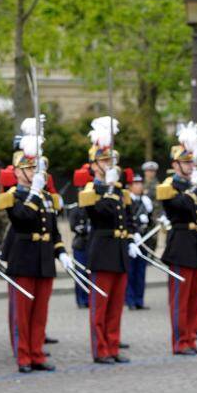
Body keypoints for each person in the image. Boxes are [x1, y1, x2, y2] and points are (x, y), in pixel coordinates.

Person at [0, 128, 71, 373]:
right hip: (23, 258)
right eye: (28, 169)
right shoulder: (13, 196)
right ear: (17, 171)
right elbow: (22, 218)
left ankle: (37, 353)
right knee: (22, 313)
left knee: (40, 313)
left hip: (43, 259)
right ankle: (24, 356)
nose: (33, 173)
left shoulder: (47, 197)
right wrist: (36, 192)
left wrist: (60, 251)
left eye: (36, 169)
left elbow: (53, 229)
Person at [157, 123, 197, 355]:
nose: (190, 166)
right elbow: (180, 207)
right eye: (185, 162)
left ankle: (191, 337)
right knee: (180, 299)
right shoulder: (169, 186)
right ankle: (180, 341)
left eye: (191, 162)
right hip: (181, 245)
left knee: (196, 297)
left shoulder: (195, 186)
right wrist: (195, 190)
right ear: (175, 164)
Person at [79, 116, 136, 365]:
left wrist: (132, 238)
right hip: (102, 251)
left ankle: (112, 346)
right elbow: (98, 213)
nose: (109, 164)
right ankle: (100, 349)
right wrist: (111, 190)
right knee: (100, 307)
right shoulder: (91, 190)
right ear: (94, 165)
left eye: (112, 160)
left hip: (120, 251)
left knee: (115, 306)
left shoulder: (121, 191)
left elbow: (128, 219)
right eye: (104, 161)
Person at [124, 170, 151, 311]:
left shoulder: (145, 201)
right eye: (136, 183)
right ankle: (130, 300)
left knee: (141, 272)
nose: (139, 186)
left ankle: (139, 299)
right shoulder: (126, 200)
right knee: (131, 272)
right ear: (130, 186)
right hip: (131, 241)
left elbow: (150, 220)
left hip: (143, 240)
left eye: (140, 183)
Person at [69, 163, 93, 309]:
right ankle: (81, 299)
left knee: (90, 272)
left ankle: (89, 297)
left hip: (92, 243)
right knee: (80, 272)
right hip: (81, 243)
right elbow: (74, 226)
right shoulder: (75, 209)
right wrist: (83, 228)